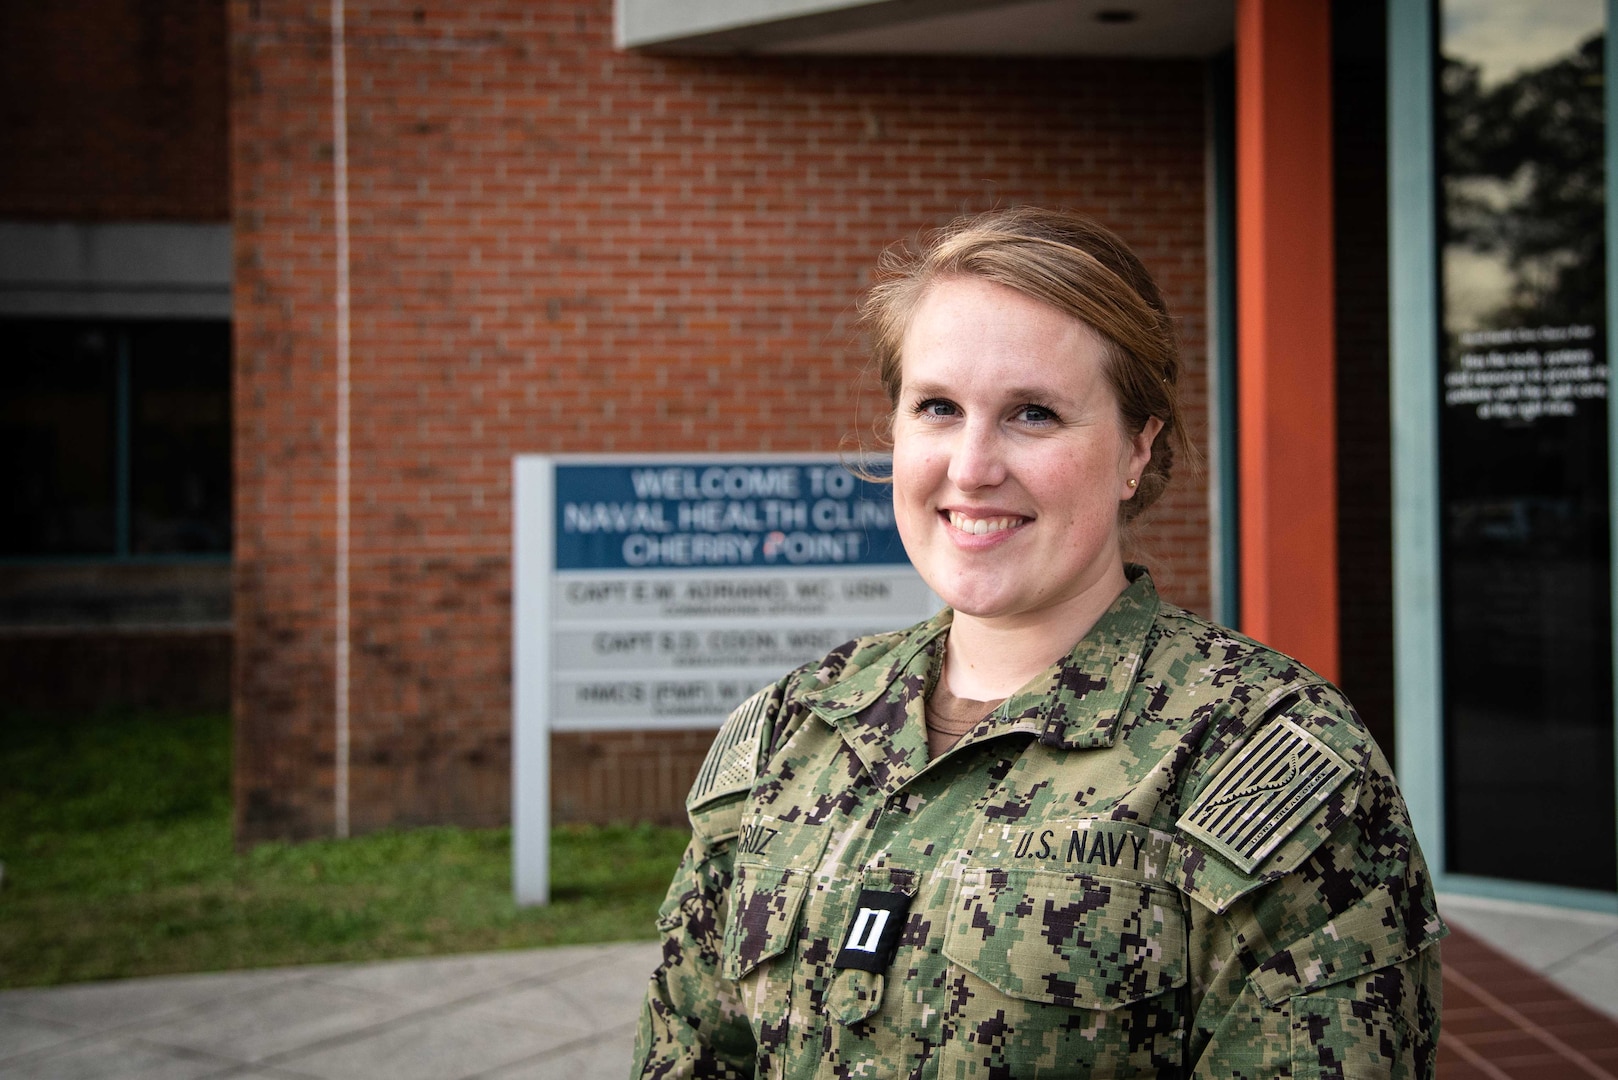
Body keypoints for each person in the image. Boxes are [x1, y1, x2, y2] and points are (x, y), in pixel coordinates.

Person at [630, 206, 1444, 1079]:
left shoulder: (1263, 759)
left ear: (1139, 446)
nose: (972, 466)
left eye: (1033, 414)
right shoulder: (794, 728)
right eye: (937, 406)